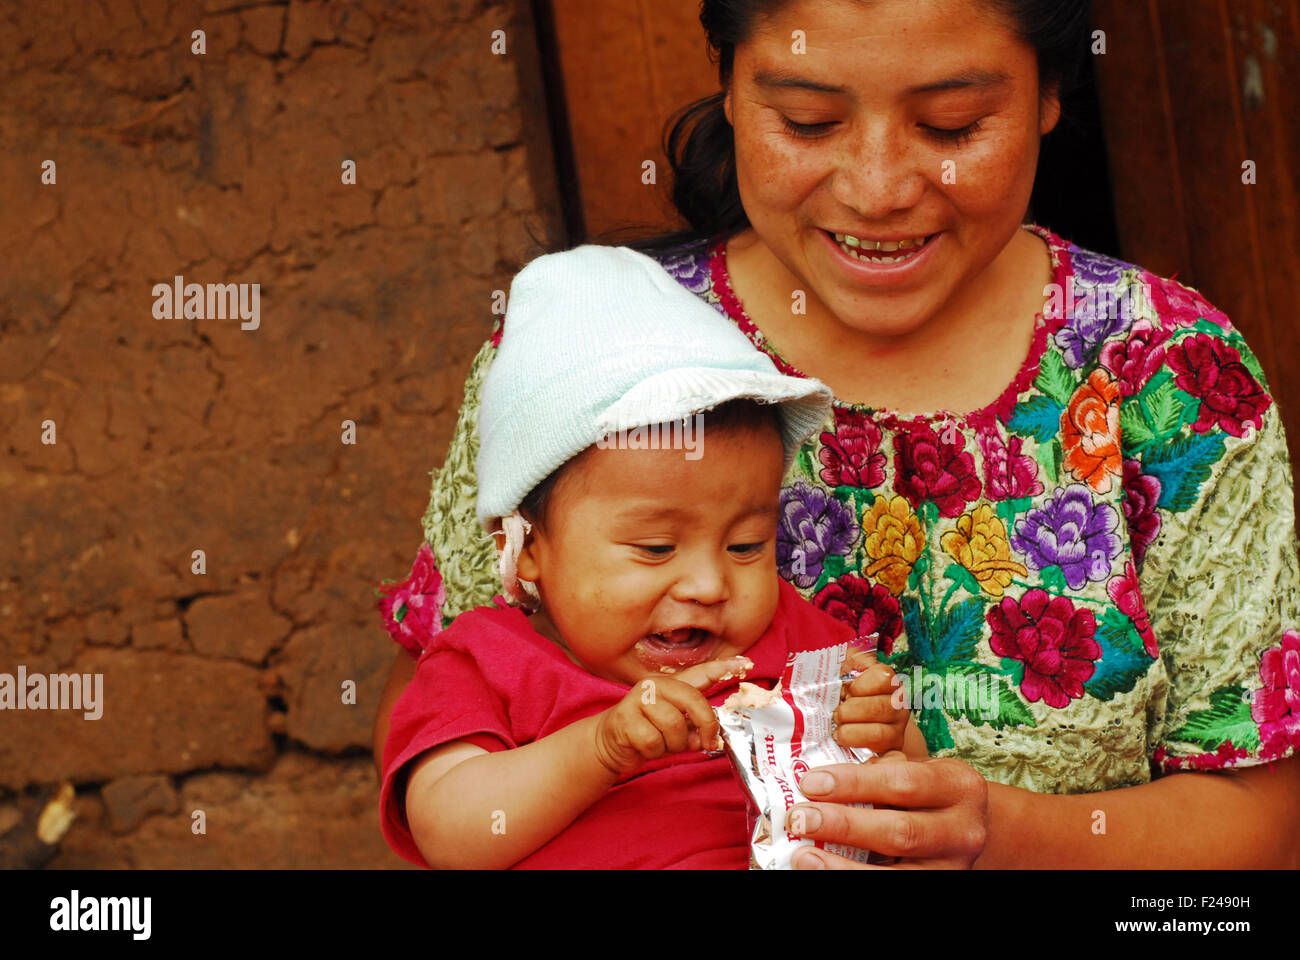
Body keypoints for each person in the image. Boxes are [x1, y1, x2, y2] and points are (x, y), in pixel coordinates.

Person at [376, 0, 1300, 868]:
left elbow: (1259, 825)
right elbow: (449, 737)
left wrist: (995, 832)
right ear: (732, 89)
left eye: (951, 125)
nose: (877, 191)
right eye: (810, 123)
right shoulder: (586, 359)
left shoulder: (1166, 371)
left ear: (1051, 94)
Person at [379, 245, 924, 869]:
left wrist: (885, 730)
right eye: (656, 547)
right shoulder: (488, 663)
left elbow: (906, 783)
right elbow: (451, 835)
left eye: (746, 545)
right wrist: (602, 749)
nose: (707, 583)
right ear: (523, 546)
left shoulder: (792, 639)